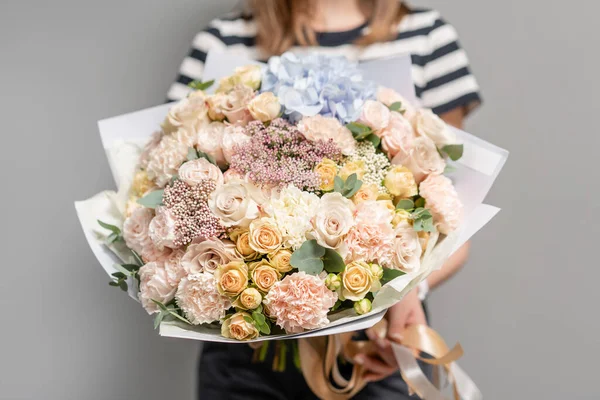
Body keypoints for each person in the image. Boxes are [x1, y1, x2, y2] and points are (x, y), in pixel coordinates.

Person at [167, 0, 480, 398]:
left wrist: (404, 295)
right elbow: (174, 181)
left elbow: (452, 215)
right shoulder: (224, 41)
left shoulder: (426, 36)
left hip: (373, 343)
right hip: (245, 354)